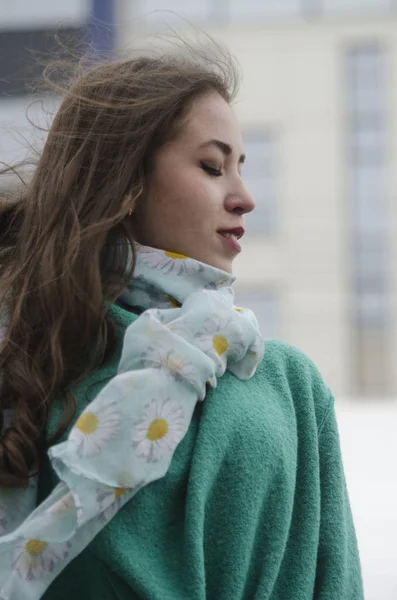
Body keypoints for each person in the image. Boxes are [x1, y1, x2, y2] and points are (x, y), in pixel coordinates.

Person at [0, 42, 363, 600]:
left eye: (242, 167)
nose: (244, 197)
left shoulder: (284, 381)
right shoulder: (25, 368)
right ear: (125, 182)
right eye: (212, 167)